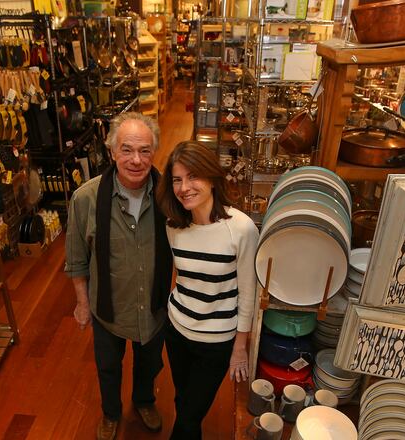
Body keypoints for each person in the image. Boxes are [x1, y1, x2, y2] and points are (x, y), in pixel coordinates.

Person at [64, 112, 173, 440]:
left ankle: (143, 401)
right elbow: (76, 258)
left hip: (153, 306)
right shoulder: (87, 198)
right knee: (108, 367)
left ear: (154, 152)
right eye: (127, 150)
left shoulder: (169, 196)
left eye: (144, 151)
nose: (136, 160)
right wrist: (82, 303)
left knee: (150, 362)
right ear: (111, 151)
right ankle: (111, 413)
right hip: (107, 308)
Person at [155, 141, 259, 440]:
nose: (184, 187)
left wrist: (239, 348)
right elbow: (183, 278)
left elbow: (248, 295)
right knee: (183, 400)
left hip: (216, 341)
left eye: (193, 177)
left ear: (212, 178)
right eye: (177, 179)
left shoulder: (241, 228)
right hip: (177, 330)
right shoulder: (174, 226)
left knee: (189, 415)